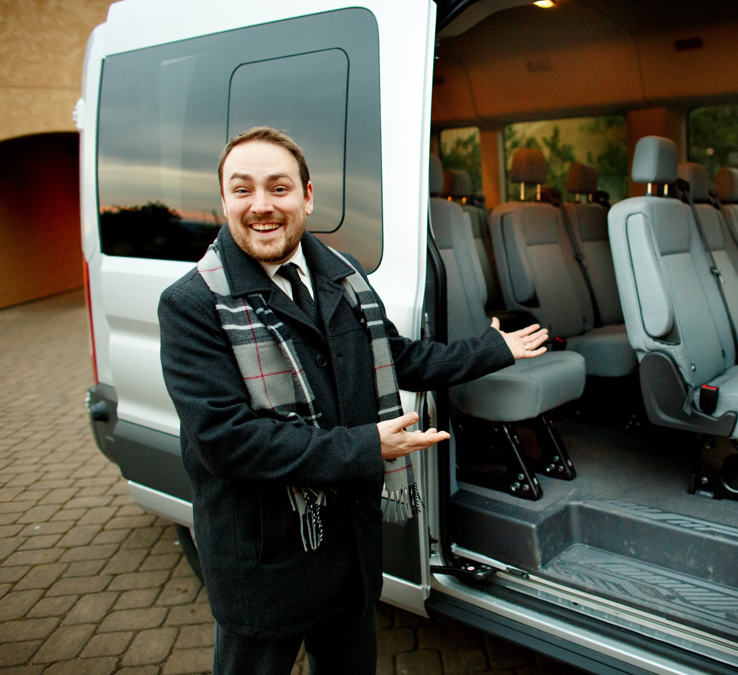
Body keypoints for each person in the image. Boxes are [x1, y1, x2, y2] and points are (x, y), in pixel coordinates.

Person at [157, 126, 548, 675]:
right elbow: (227, 442)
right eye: (243, 190)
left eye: (279, 188)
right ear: (223, 201)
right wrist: (367, 446)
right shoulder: (191, 304)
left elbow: (396, 357)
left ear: (308, 196)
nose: (262, 206)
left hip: (348, 552)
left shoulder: (343, 277)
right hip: (266, 559)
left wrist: (492, 349)